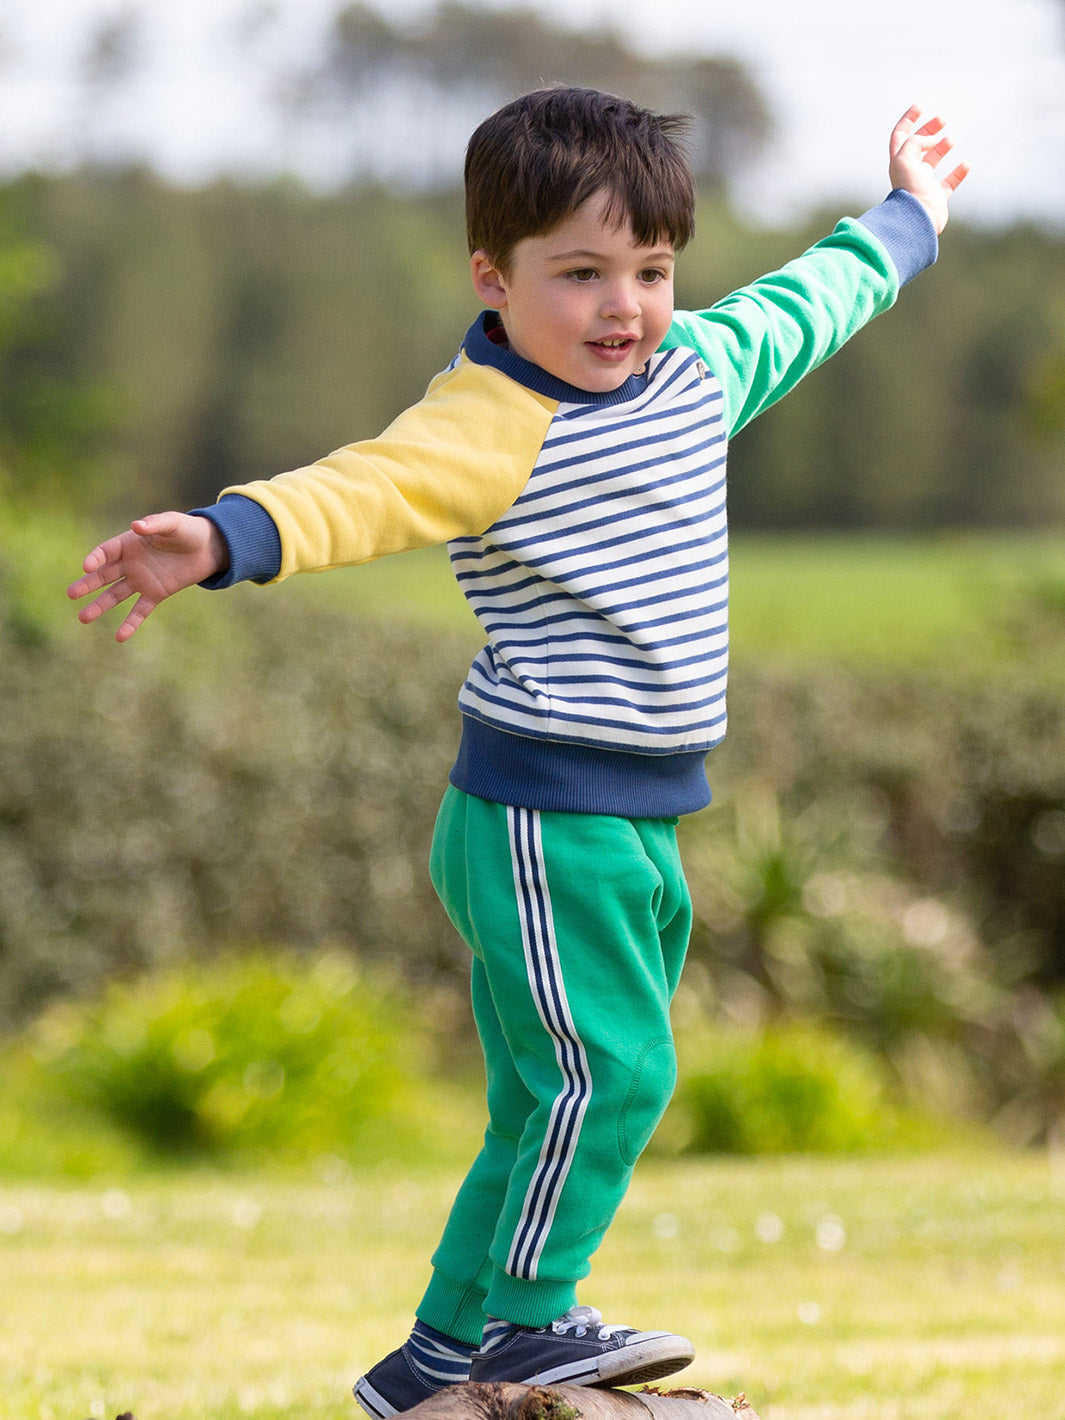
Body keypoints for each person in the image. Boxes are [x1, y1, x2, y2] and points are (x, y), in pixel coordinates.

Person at [69, 86, 967, 1417]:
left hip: (633, 819)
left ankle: (436, 1357)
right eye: (580, 274)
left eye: (650, 271)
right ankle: (531, 1328)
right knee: (611, 1073)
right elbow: (359, 488)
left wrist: (909, 215)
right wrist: (221, 535)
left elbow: (814, 298)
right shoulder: (486, 423)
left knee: (541, 1097)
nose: (622, 307)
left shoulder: (698, 369)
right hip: (542, 821)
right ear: (492, 278)